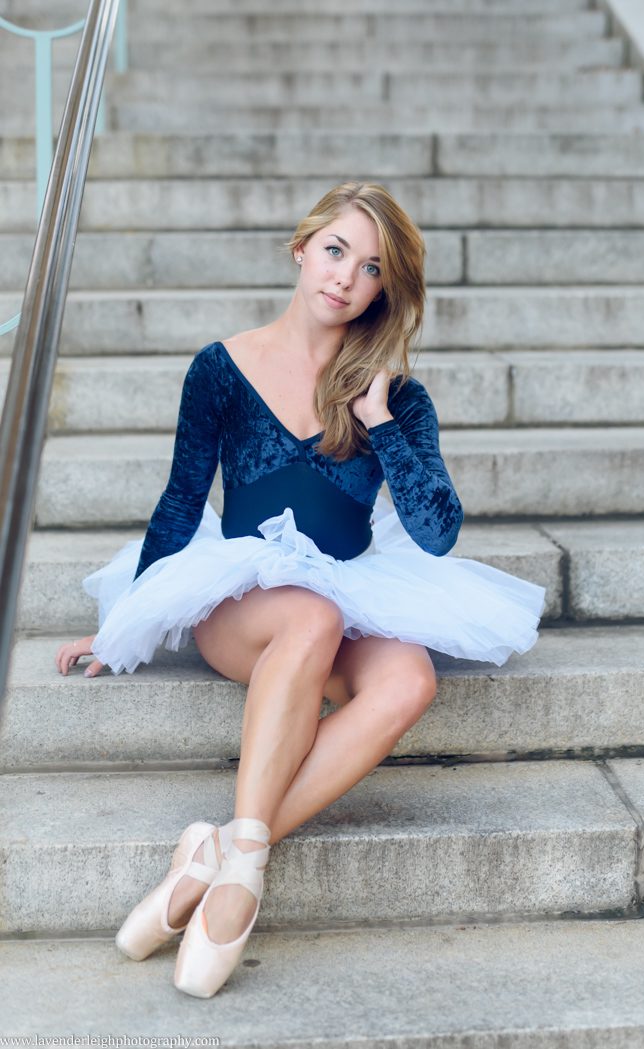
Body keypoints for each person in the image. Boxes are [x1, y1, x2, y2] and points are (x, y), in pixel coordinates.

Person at [54, 181, 546, 999]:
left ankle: (223, 854)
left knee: (410, 677)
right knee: (308, 614)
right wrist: (122, 625)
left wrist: (382, 421)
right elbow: (181, 501)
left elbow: (436, 532)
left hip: (353, 591)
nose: (346, 277)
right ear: (301, 248)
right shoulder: (220, 368)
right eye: (335, 250)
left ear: (387, 288)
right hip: (241, 597)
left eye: (372, 267)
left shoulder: (398, 397)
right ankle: (241, 884)